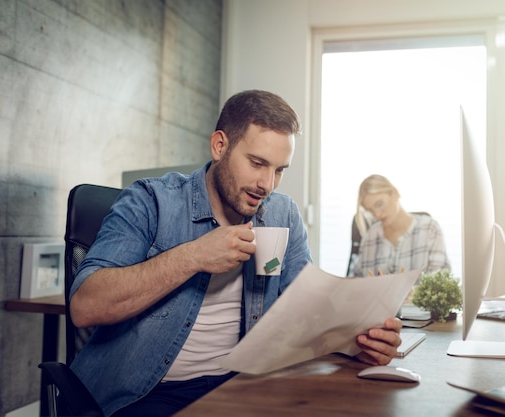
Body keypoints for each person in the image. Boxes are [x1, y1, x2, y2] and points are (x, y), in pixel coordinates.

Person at [68, 90, 404, 417]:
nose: (267, 184)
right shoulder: (150, 201)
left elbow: (306, 315)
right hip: (145, 394)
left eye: (279, 170)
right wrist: (194, 256)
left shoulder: (282, 214)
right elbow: (85, 306)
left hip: (242, 386)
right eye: (257, 163)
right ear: (219, 145)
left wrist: (360, 343)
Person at [351, 174, 451, 277]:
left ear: (395, 193)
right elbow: (358, 282)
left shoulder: (429, 229)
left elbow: (439, 282)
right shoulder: (369, 239)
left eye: (379, 204)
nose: (377, 214)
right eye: (370, 210)